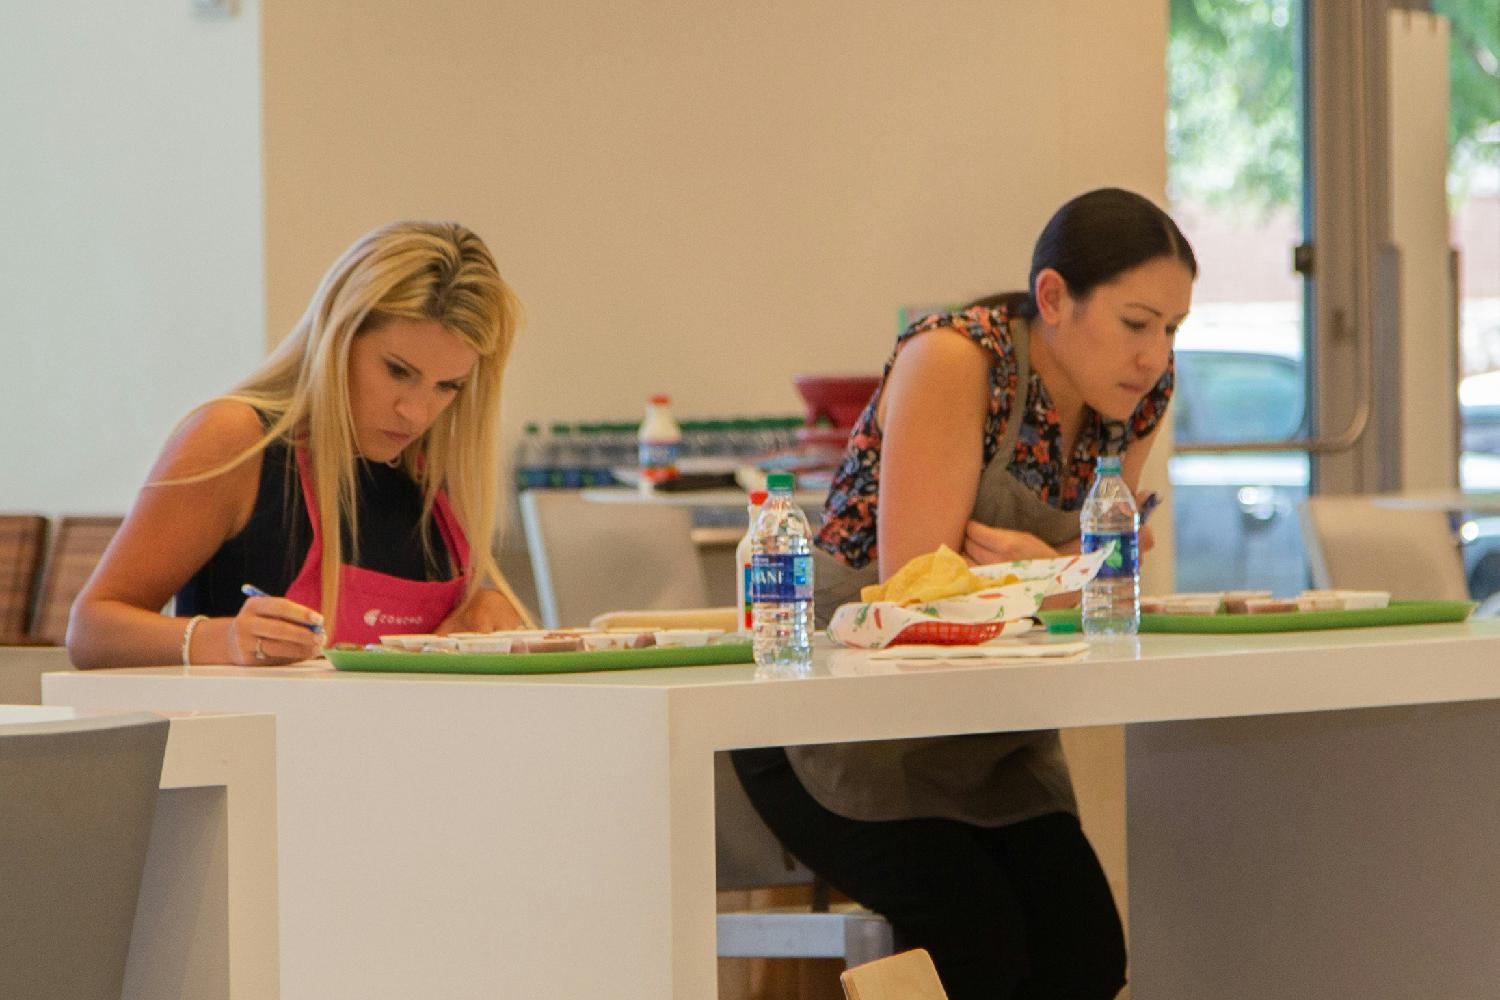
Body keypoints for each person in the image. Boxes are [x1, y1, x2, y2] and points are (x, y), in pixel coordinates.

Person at [732, 188, 1195, 1000]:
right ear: (1053, 298)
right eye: (1135, 323)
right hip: (840, 727)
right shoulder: (956, 358)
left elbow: (1105, 577)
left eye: (1171, 329)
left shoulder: (1135, 399)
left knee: (1087, 954)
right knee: (978, 945)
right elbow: (920, 584)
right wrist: (1057, 562)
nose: (1155, 355)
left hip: (991, 734)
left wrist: (1052, 563)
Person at [69, 220, 530, 669]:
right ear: (337, 339)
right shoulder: (236, 440)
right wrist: (226, 639)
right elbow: (92, 630)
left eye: (447, 387)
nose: (417, 412)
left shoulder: (434, 465)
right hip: (251, 746)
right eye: (397, 371)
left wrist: (480, 613)